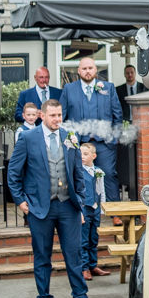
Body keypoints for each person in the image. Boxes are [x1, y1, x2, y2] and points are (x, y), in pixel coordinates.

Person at [6, 98, 100, 298]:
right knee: (42, 255)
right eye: (53, 116)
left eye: (59, 115)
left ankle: (80, 297)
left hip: (68, 206)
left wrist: (81, 203)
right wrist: (21, 201)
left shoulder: (70, 137)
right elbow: (13, 173)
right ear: (42, 115)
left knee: (74, 254)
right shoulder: (28, 138)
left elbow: (78, 173)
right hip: (40, 207)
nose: (57, 119)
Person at [60, 57, 122, 207]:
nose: (87, 71)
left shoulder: (108, 87)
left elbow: (117, 115)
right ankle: (81, 208)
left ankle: (114, 211)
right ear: (78, 71)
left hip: (104, 144)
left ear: (96, 70)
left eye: (90, 68)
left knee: (109, 174)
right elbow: (61, 116)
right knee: (79, 176)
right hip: (79, 143)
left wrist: (113, 139)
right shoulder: (69, 89)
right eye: (84, 68)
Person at [78, 142, 110, 280]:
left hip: (95, 209)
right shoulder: (78, 171)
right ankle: (84, 268)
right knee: (84, 239)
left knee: (94, 238)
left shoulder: (99, 172)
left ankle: (93, 265)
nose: (82, 157)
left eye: (85, 154)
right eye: (80, 154)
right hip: (84, 208)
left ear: (94, 156)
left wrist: (102, 208)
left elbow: (101, 191)